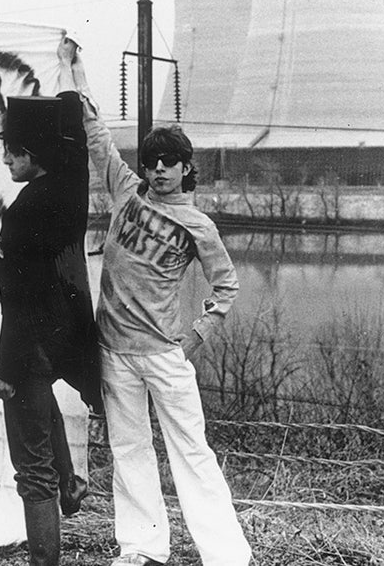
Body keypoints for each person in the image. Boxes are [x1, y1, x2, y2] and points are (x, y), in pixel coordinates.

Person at [69, 44, 250, 565]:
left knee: (192, 452)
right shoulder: (127, 194)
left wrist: (198, 334)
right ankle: (143, 548)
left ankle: (227, 557)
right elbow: (99, 142)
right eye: (152, 162)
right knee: (129, 452)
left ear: (188, 168)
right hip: (114, 351)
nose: (160, 170)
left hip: (164, 354)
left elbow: (226, 285)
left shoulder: (198, 225)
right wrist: (79, 73)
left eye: (171, 162)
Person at [0, 38, 102, 566]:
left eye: (11, 150)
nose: (6, 157)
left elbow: (20, 299)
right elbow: (74, 127)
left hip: (32, 343)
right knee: (45, 410)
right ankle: (73, 482)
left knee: (29, 470)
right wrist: (67, 71)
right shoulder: (72, 184)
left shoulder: (23, 212)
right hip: (70, 334)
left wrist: (4, 368)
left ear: (30, 154)